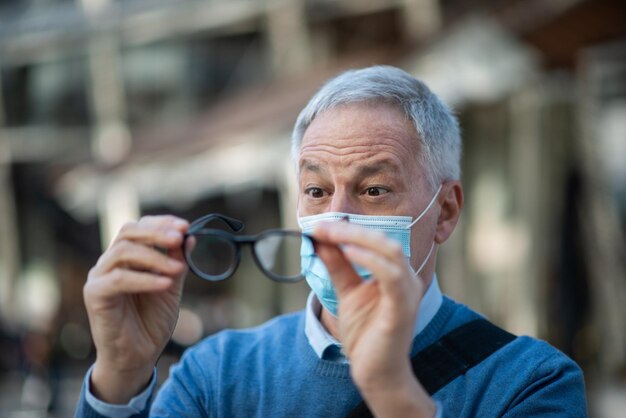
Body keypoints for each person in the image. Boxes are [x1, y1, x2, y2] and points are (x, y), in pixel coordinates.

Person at [75, 66, 587, 417]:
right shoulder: (218, 375)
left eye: (374, 189)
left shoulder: (530, 381)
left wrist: (392, 389)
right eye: (316, 190)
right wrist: (120, 375)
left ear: (446, 211)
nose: (337, 219)